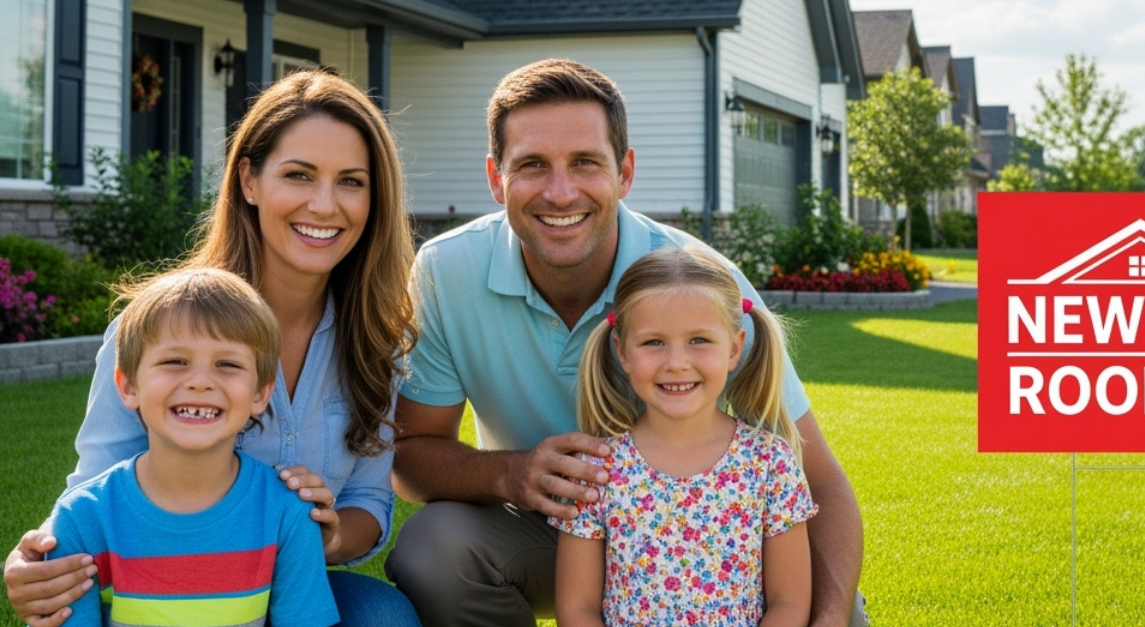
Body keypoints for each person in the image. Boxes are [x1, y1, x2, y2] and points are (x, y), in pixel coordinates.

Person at [385, 58, 865, 627]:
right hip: (557, 528)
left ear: (625, 172)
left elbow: (823, 482)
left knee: (838, 614)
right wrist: (511, 474)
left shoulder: (702, 281)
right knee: (434, 548)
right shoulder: (447, 270)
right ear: (496, 178)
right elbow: (412, 458)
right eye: (532, 165)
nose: (560, 193)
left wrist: (829, 619)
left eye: (586, 162)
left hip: (712, 547)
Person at [5, 70, 420, 627]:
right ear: (248, 180)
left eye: (351, 181)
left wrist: (326, 534)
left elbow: (372, 503)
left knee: (384, 616)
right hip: (161, 593)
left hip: (287, 589)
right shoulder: (155, 330)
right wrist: (38, 561)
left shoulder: (374, 341)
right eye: (298, 175)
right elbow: (94, 495)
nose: (325, 205)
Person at [46, 268, 338, 627]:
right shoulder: (82, 517)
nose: (200, 382)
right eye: (175, 362)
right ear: (128, 385)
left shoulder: (288, 513)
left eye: (227, 364)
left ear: (261, 393)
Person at [554, 246, 814, 627]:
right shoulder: (595, 470)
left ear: (734, 348)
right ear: (622, 351)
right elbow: (577, 610)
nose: (676, 363)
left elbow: (789, 603)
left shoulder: (769, 463)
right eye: (654, 342)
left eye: (699, 341)